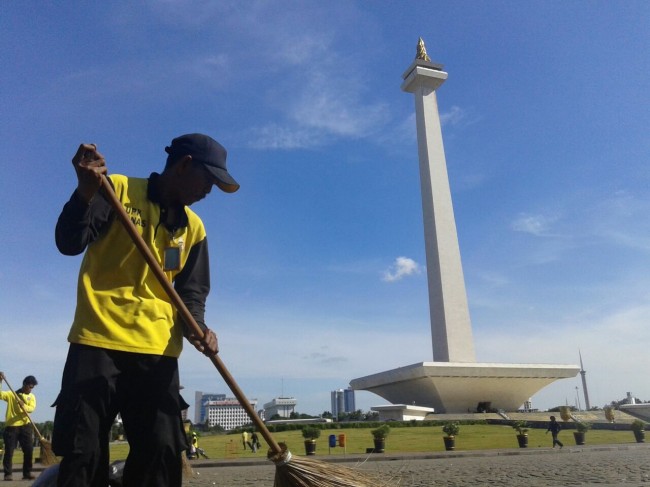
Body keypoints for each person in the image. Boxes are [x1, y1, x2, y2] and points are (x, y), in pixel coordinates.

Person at [52, 133, 239, 487]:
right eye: (209, 180)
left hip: (158, 351)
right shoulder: (117, 190)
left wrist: (198, 328)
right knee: (83, 453)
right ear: (185, 165)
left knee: (163, 454)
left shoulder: (194, 229)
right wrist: (84, 192)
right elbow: (68, 242)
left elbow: (191, 293)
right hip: (98, 341)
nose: (209, 191)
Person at [0, 373, 38, 481]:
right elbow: (0, 394)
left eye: (32, 387)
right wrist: (0, 381)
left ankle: (27, 473)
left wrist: (23, 405)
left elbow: (31, 408)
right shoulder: (12, 394)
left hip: (25, 426)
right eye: (30, 387)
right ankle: (8, 474)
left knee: (29, 450)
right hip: (12, 427)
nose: (31, 389)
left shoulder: (32, 397)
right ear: (25, 384)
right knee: (9, 451)